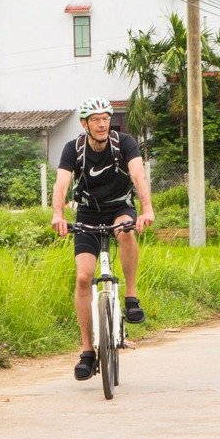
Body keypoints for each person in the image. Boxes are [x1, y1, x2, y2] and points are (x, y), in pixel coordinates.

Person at [50, 96, 155, 381]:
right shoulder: (74, 149)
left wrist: (146, 209)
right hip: (88, 213)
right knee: (84, 278)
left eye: (106, 119)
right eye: (95, 120)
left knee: (125, 230)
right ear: (84, 124)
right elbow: (61, 183)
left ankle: (131, 297)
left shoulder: (124, 143)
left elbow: (138, 175)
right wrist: (58, 214)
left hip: (120, 208)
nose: (102, 124)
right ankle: (87, 351)